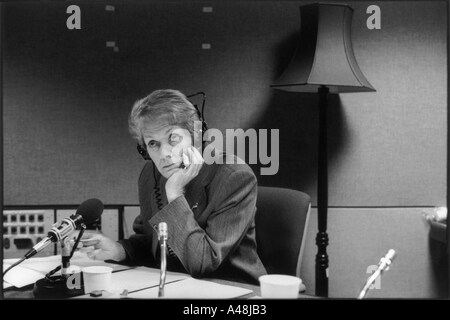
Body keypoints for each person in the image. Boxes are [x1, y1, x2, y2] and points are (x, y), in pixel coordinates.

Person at [80, 89, 267, 284]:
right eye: (153, 143)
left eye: (173, 138)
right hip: (175, 283)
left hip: (233, 287)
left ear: (195, 133)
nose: (164, 154)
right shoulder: (150, 175)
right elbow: (152, 240)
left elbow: (202, 263)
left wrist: (175, 195)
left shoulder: (234, 176)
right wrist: (120, 250)